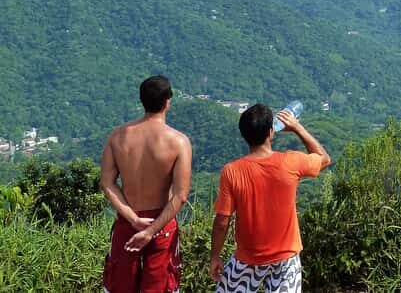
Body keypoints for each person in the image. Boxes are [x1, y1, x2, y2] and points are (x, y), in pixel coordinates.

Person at [210, 104, 331, 293]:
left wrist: (215, 257)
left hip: (247, 258)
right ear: (271, 132)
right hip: (286, 258)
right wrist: (297, 127)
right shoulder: (291, 162)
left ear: (244, 135)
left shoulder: (232, 171)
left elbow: (221, 221)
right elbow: (324, 158)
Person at [99, 75, 192, 293]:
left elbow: (107, 183)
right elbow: (180, 196)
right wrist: (151, 230)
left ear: (141, 100)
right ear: (168, 101)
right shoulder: (178, 142)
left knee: (119, 286)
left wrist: (132, 218)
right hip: (162, 223)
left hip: (127, 222)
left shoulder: (118, 137)